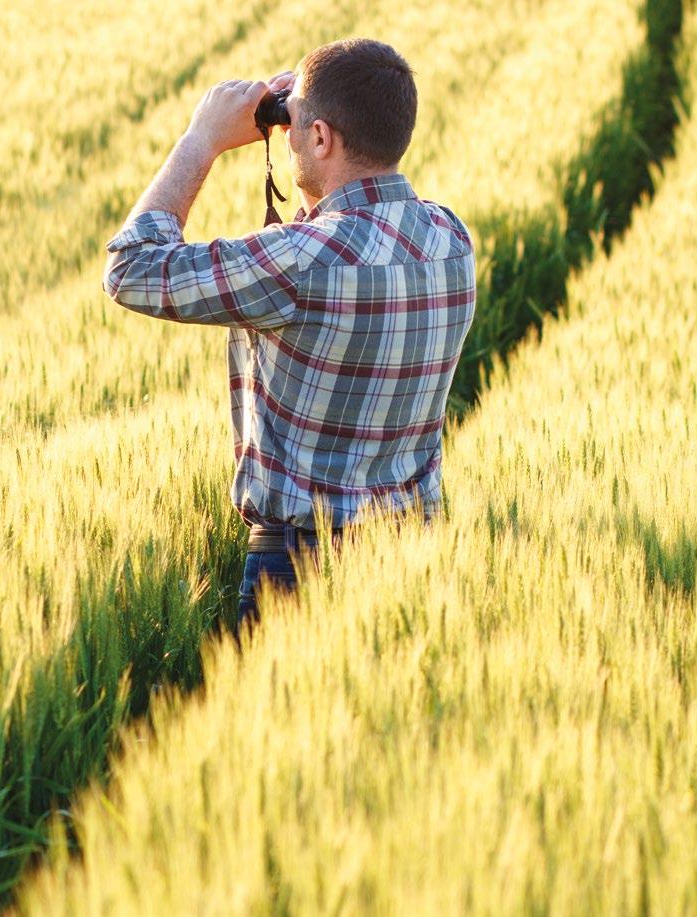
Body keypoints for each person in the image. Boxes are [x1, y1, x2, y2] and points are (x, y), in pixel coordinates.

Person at [103, 39, 476, 631]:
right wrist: (310, 110)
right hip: (414, 558)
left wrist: (202, 139)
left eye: (298, 124)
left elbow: (131, 269)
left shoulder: (301, 263)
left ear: (322, 139)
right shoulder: (450, 237)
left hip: (298, 564)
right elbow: (344, 237)